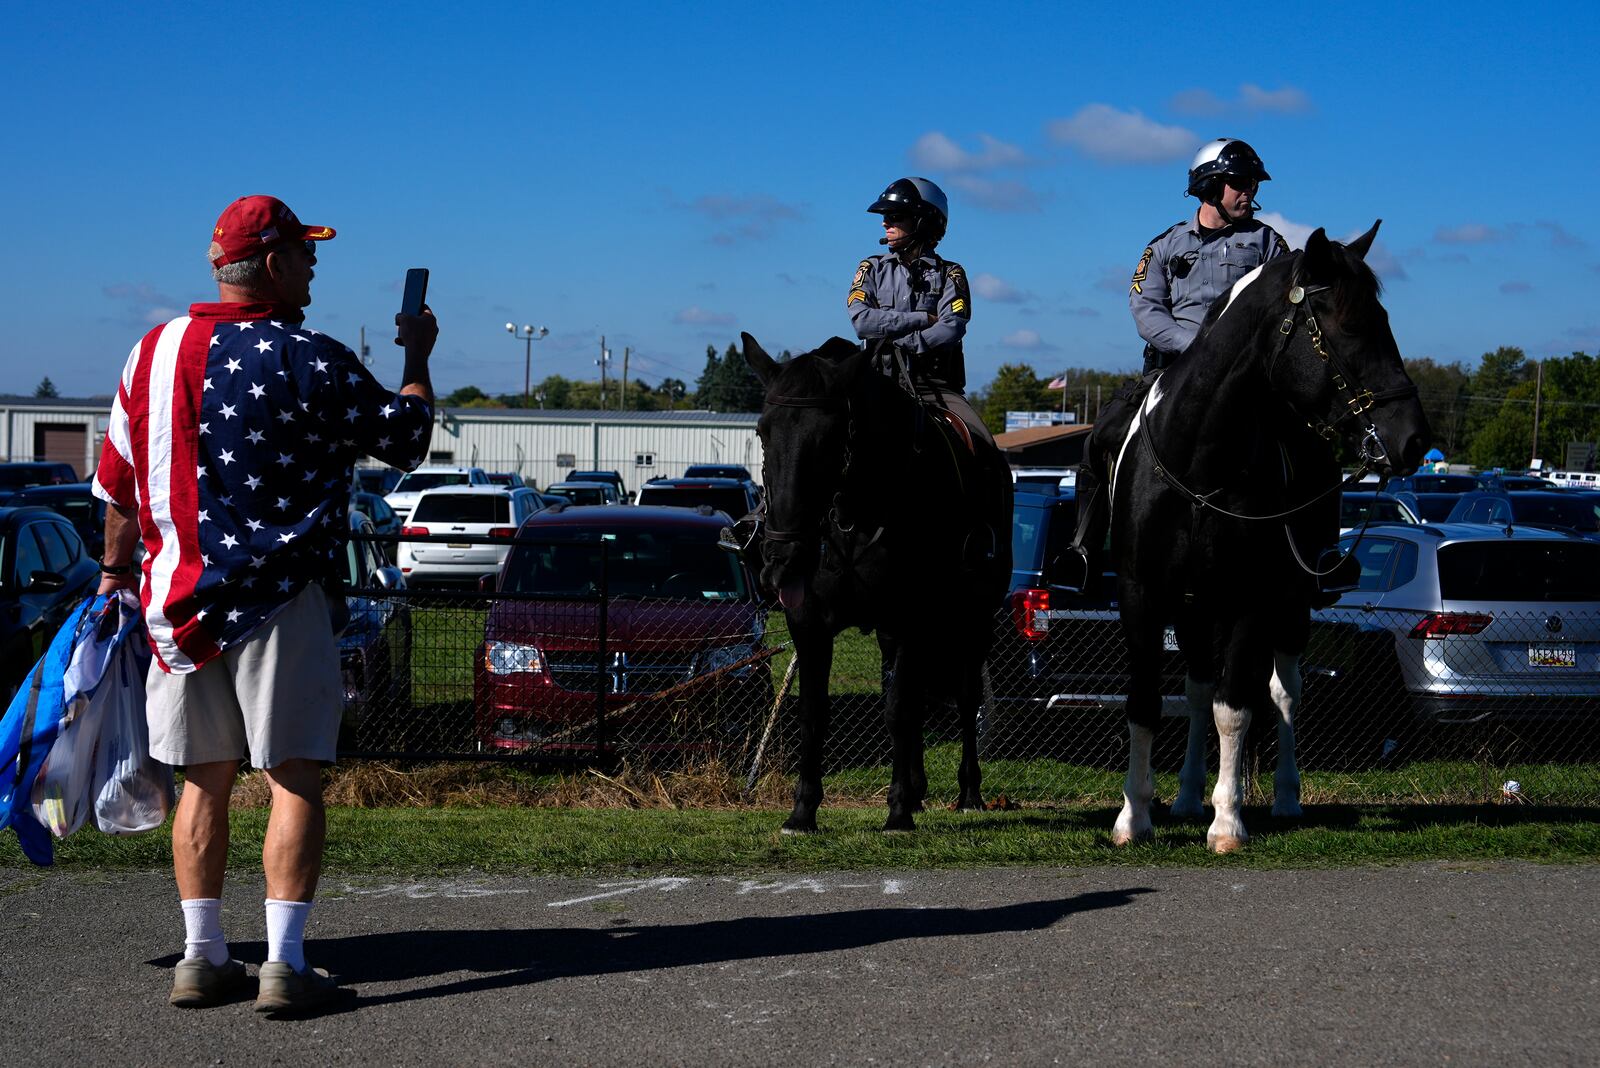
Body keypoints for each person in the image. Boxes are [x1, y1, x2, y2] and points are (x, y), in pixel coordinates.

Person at [91, 194, 438, 1014]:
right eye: (305, 253)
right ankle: (283, 964)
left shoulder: (150, 354)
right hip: (281, 601)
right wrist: (418, 356)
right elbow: (407, 437)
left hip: (176, 609)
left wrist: (113, 577)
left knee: (202, 784)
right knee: (292, 779)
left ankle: (202, 956)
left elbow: (116, 490)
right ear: (273, 265)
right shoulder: (308, 356)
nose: (315, 267)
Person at [1061, 139, 1288, 591]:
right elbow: (1145, 309)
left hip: (1246, 380)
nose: (1249, 193)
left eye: (1251, 184)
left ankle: (1312, 556)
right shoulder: (1163, 245)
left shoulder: (1269, 244)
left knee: (1305, 440)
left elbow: (1284, 311)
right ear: (1209, 187)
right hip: (1169, 372)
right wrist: (1198, 350)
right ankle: (1083, 549)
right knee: (1103, 434)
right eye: (1239, 184)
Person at [849, 177, 1010, 568]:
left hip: (936, 385)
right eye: (886, 216)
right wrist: (920, 318)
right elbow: (861, 321)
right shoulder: (869, 268)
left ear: (924, 222)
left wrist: (909, 342)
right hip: (879, 382)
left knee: (982, 443)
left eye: (896, 216)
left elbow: (953, 325)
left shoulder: (952, 274)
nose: (886, 224)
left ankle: (986, 533)